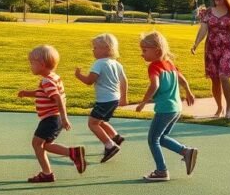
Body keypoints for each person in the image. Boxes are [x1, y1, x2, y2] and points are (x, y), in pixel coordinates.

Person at [17, 45, 87, 183]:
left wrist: (64, 117)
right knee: (45, 145)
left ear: (41, 64)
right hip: (54, 119)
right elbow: (43, 93)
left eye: (32, 63)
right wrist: (27, 93)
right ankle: (72, 153)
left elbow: (58, 98)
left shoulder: (46, 81)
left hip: (51, 118)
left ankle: (47, 173)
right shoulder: (53, 77)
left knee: (37, 144)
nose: (30, 66)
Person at [136, 31, 198, 182]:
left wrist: (144, 102)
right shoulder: (169, 64)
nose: (142, 54)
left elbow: (154, 85)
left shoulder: (154, 66)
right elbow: (183, 80)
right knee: (161, 137)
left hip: (165, 109)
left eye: (144, 50)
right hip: (176, 108)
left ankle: (161, 171)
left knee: (153, 139)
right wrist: (188, 92)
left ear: (156, 50)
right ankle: (186, 152)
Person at [191, 0, 230, 119]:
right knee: (215, 80)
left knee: (224, 76)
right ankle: (219, 107)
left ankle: (229, 107)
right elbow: (203, 30)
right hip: (211, 48)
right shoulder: (207, 12)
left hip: (228, 47)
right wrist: (196, 44)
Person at [74, 34, 128, 163]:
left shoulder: (98, 63)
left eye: (95, 47)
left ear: (106, 48)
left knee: (92, 123)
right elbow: (124, 81)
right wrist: (124, 97)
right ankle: (116, 137)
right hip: (114, 98)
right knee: (101, 120)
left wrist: (78, 75)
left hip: (104, 100)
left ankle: (110, 145)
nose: (93, 50)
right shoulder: (116, 64)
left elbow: (89, 81)